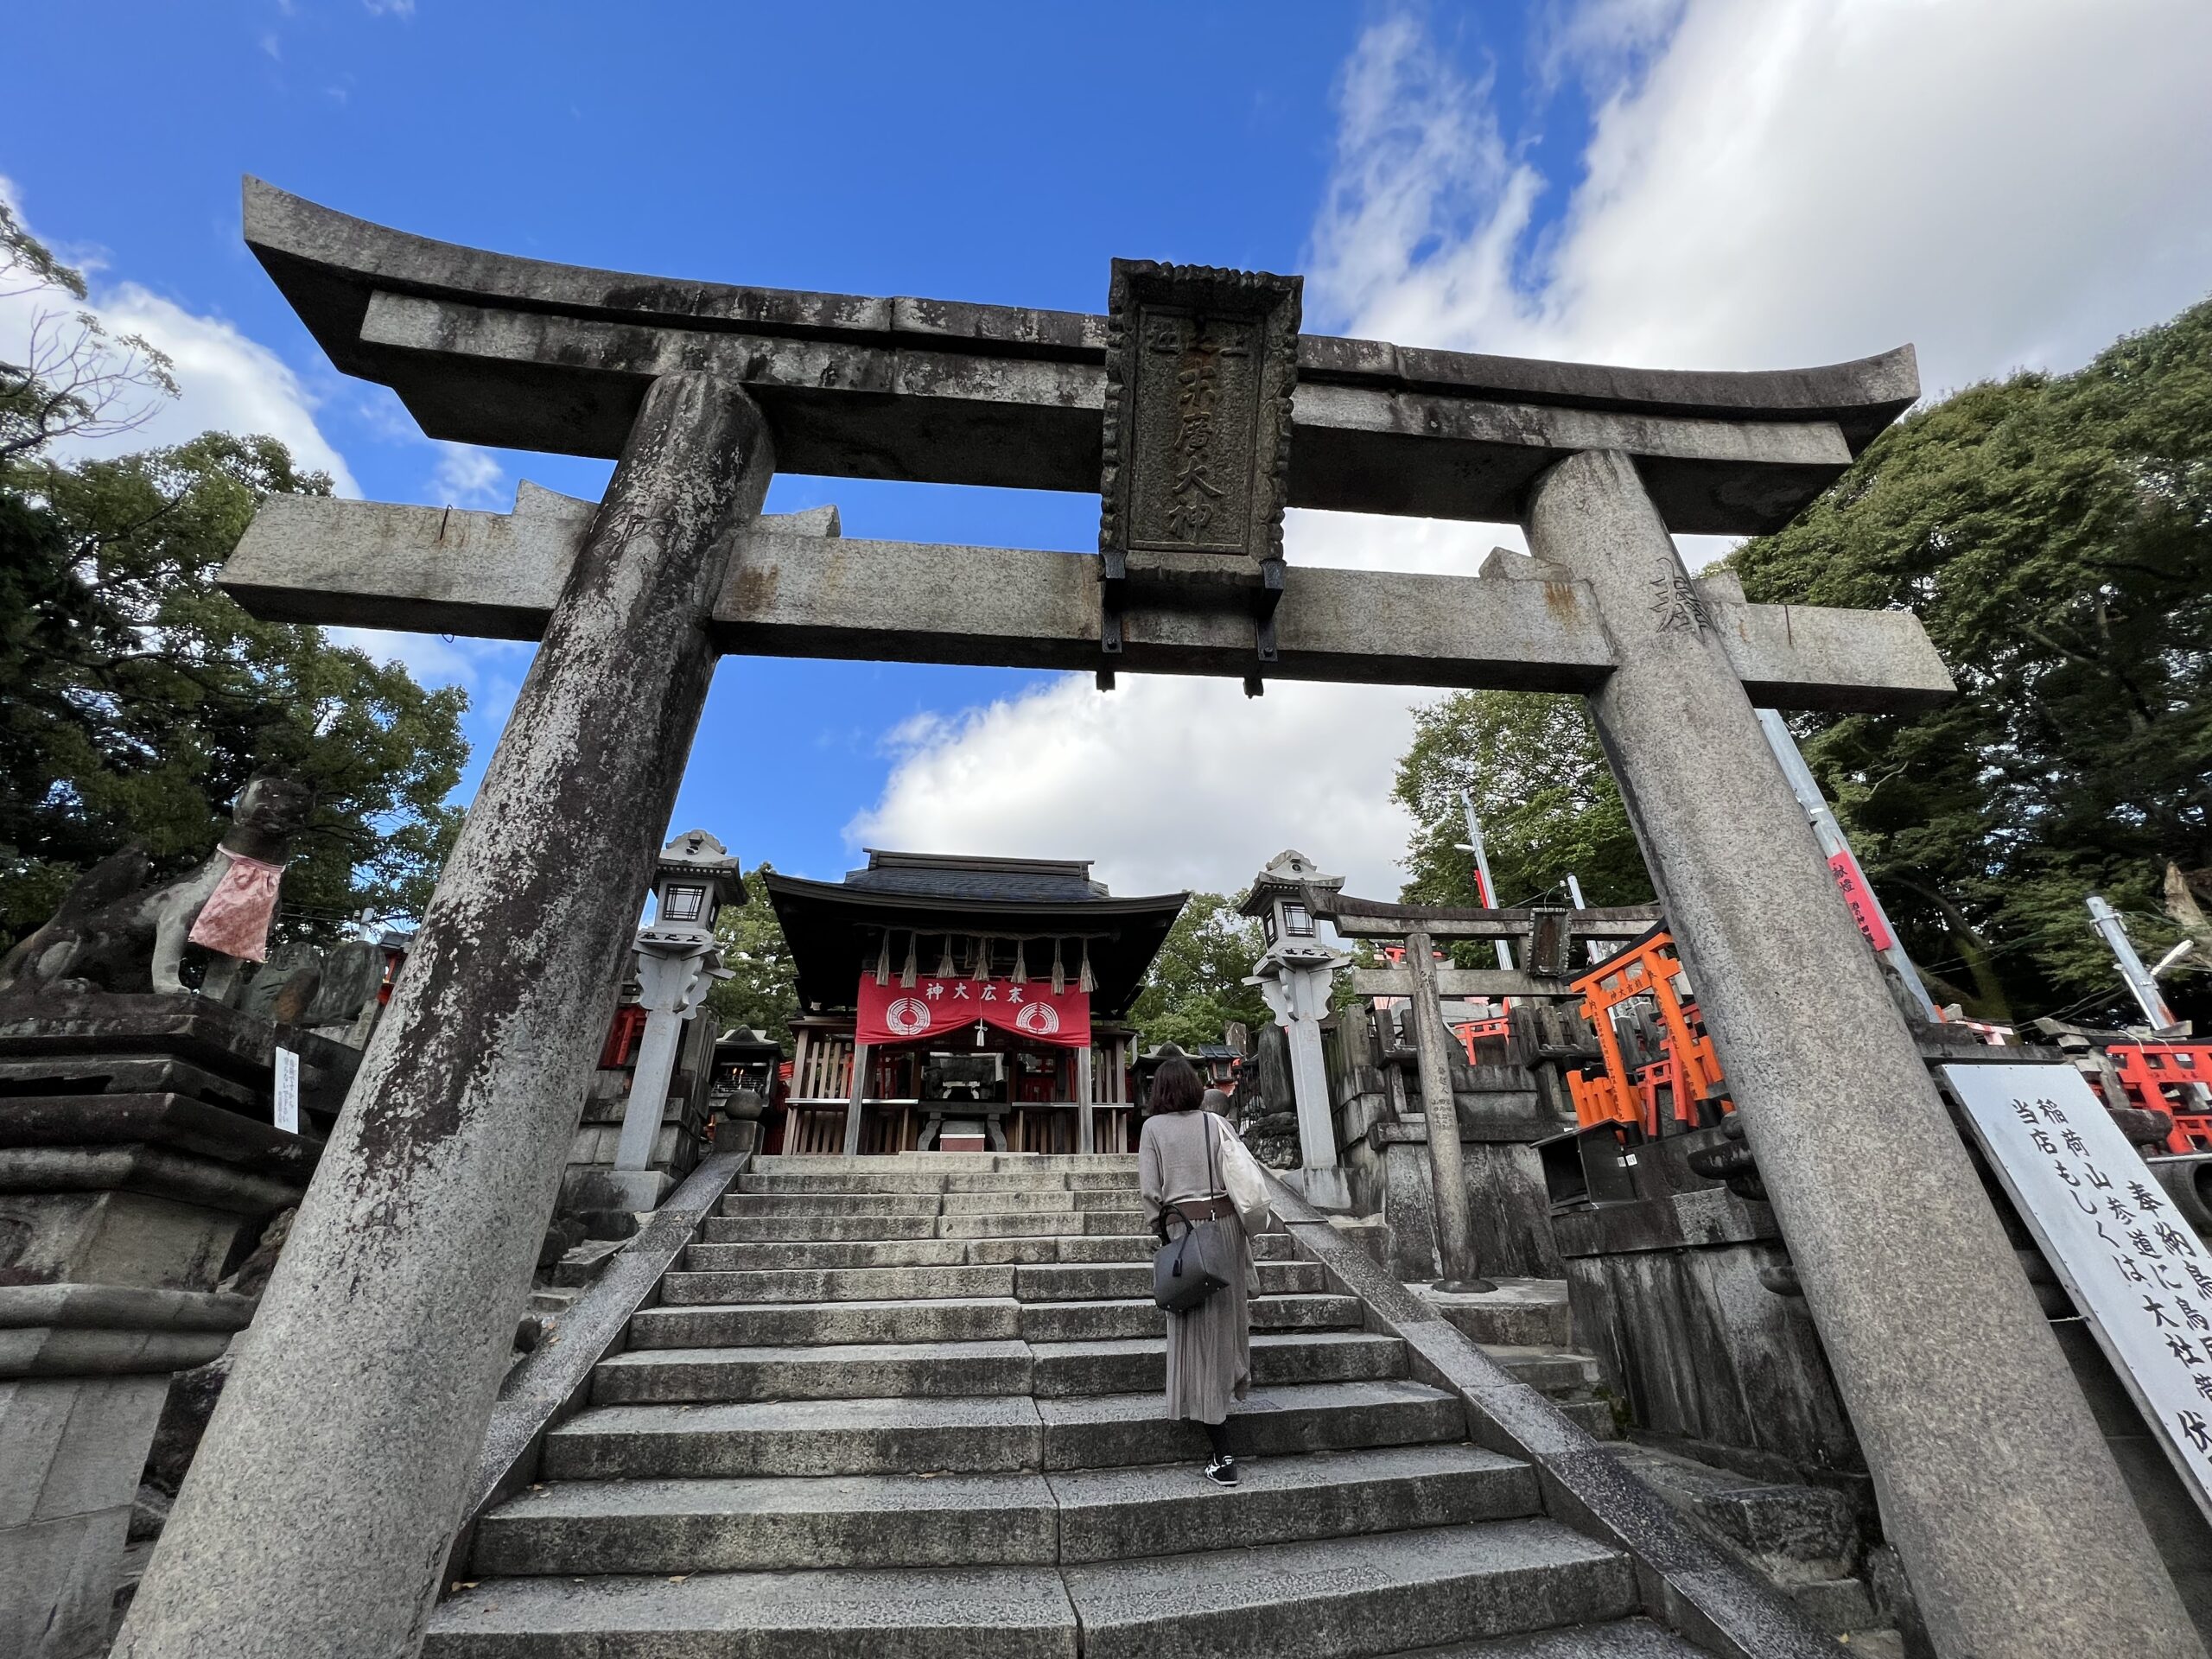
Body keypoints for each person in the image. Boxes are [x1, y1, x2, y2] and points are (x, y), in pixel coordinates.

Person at [1138, 1056, 1253, 1486]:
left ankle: (1222, 1453)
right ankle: (1230, 1381)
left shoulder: (1154, 1130)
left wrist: (1161, 1230)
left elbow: (1151, 1191)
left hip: (1187, 1233)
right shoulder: (1214, 1123)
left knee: (1194, 1326)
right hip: (1227, 1229)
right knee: (1226, 1317)